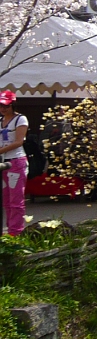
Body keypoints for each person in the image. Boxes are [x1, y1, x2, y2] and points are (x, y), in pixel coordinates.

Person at [0, 90, 30, 236]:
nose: (3, 108)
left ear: (13, 104)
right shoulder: (0, 121)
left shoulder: (20, 119)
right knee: (6, 201)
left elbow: (19, 142)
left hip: (16, 162)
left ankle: (16, 233)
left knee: (16, 201)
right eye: (1, 105)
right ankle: (9, 231)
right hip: (2, 163)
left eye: (6, 105)